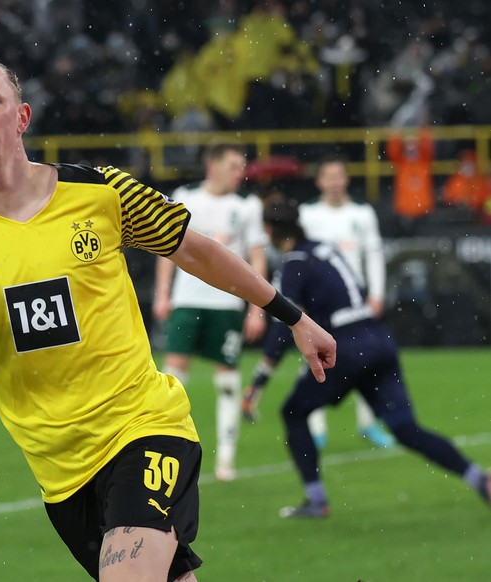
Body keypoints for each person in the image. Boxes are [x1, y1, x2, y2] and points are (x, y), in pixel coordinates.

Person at [0, 56, 335, 581]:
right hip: (62, 474)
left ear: (21, 117)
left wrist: (291, 316)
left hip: (144, 429)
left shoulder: (101, 192)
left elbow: (196, 252)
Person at [242, 199, 490, 518]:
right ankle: (478, 477)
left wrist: (259, 381)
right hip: (378, 339)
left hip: (346, 348)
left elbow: (283, 325)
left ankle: (316, 500)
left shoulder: (294, 264)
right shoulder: (325, 249)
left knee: (293, 413)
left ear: (269, 230)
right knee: (405, 428)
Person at [152, 142, 267, 482]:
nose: (240, 172)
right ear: (212, 165)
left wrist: (257, 309)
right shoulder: (185, 197)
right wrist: (162, 294)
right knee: (174, 377)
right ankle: (164, 448)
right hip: (187, 300)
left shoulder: (247, 206)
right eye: (234, 165)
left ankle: (226, 461)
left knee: (228, 380)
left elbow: (256, 256)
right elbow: (165, 249)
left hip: (228, 303)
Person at [297, 155, 394, 450]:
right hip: (318, 302)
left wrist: (377, 294)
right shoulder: (307, 214)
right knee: (313, 357)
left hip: (355, 300)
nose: (335, 182)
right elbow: (299, 259)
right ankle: (316, 427)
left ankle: (368, 423)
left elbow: (373, 255)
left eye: (340, 176)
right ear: (320, 181)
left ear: (346, 180)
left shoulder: (362, 213)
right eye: (330, 176)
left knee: (365, 361)